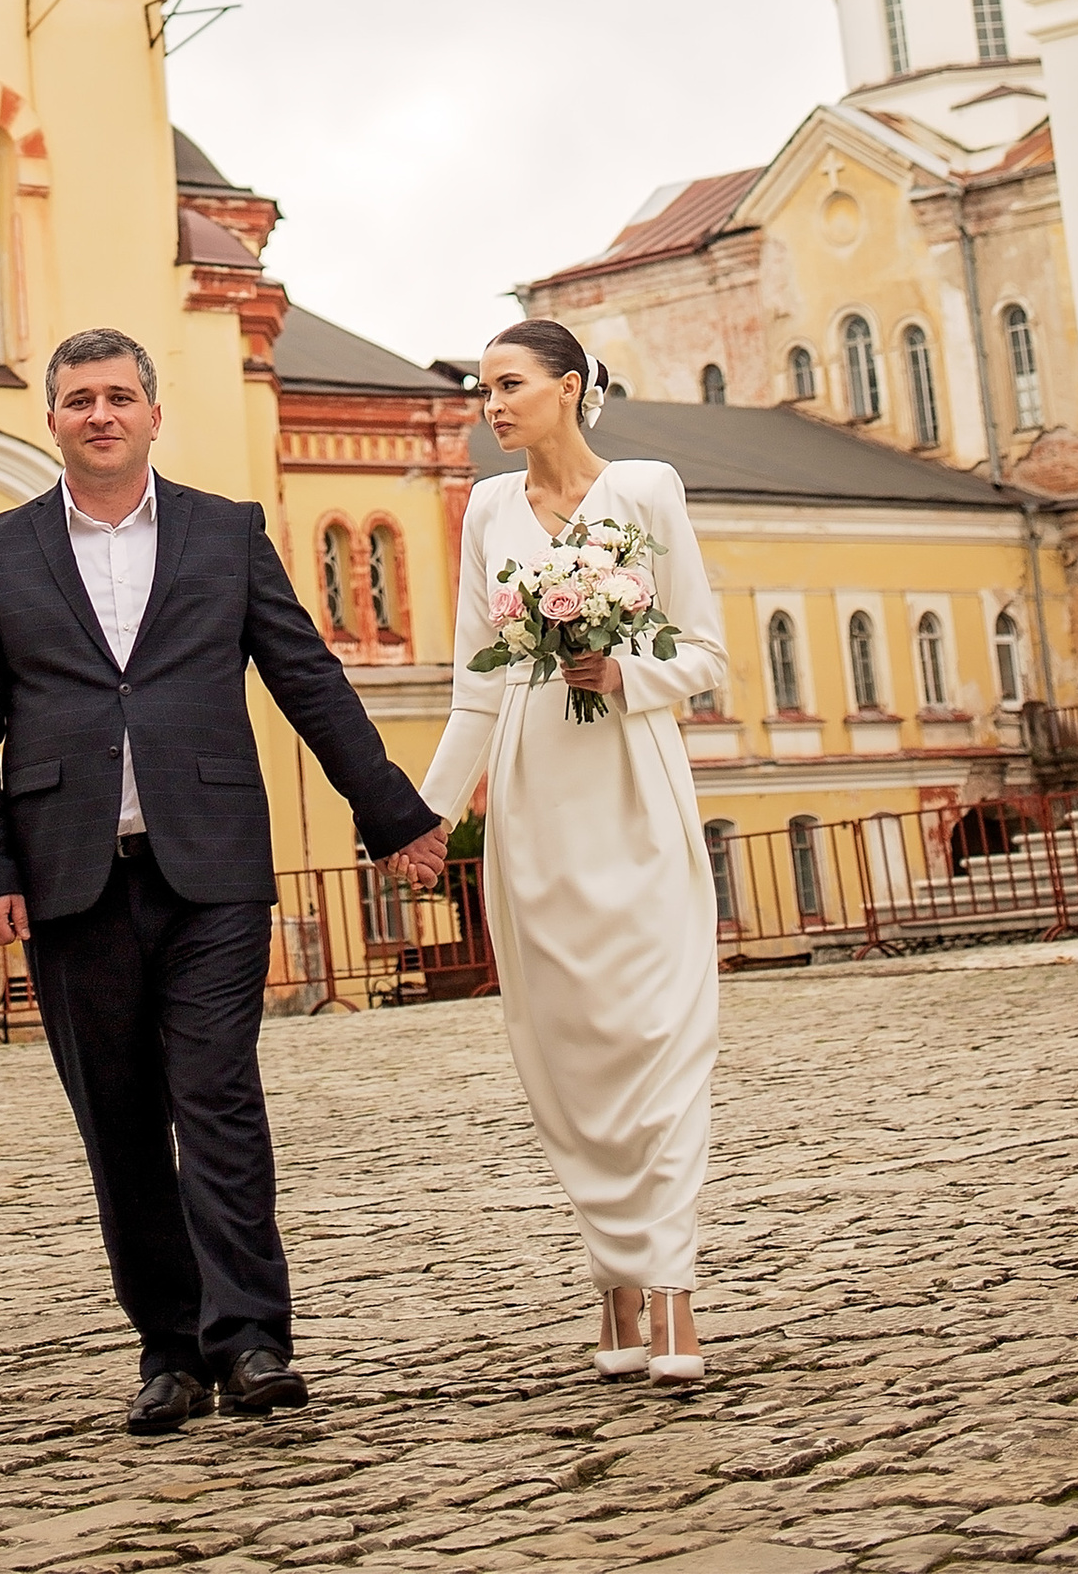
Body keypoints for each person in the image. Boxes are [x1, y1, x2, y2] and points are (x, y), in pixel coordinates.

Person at [0, 325, 450, 1435]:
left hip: (211, 867)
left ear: (154, 415)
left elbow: (306, 677)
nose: (101, 414)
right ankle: (167, 1349)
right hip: (68, 878)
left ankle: (253, 1339)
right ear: (54, 420)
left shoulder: (227, 533)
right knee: (117, 1123)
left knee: (215, 1098)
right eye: (80, 399)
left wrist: (394, 812)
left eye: (120, 396)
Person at [422, 317, 729, 1387]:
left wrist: (625, 676)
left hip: (631, 791)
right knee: (565, 1043)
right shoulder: (487, 511)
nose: (489, 406)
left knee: (656, 1032)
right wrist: (418, 817)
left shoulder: (647, 490)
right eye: (478, 390)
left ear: (569, 387)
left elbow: (704, 654)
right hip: (533, 798)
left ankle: (675, 1291)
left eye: (506, 385)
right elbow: (473, 683)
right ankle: (613, 1279)